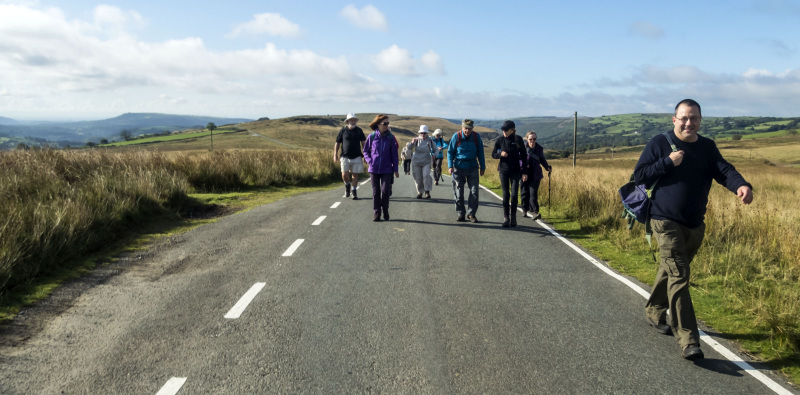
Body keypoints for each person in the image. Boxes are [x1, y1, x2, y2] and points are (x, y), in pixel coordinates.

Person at [634, 99, 753, 360]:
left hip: (695, 223)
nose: (689, 123)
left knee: (672, 269)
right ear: (674, 120)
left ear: (701, 120)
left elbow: (724, 170)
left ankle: (654, 310)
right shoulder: (659, 143)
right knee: (680, 274)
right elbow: (640, 175)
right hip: (664, 220)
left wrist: (741, 185)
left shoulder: (707, 147)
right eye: (684, 118)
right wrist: (667, 162)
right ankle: (688, 339)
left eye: (694, 118)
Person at [447, 119, 486, 223]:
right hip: (458, 167)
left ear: (472, 128)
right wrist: (450, 166)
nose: (467, 131)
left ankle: (471, 214)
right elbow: (450, 152)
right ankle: (460, 213)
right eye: (465, 128)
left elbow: (480, 152)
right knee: (458, 192)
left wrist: (483, 167)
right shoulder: (457, 136)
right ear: (462, 127)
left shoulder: (476, 137)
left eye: (469, 129)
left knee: (474, 191)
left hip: (472, 166)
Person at [363, 114, 400, 221]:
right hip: (374, 169)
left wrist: (396, 169)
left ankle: (385, 210)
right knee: (376, 192)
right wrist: (369, 161)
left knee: (385, 191)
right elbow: (366, 151)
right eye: (385, 123)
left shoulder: (391, 138)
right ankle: (377, 212)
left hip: (387, 169)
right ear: (378, 124)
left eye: (388, 123)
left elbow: (394, 154)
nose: (387, 125)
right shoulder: (372, 136)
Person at [491, 120, 528, 227]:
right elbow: (493, 154)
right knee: (506, 194)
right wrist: (500, 154)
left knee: (514, 195)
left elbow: (524, 157)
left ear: (512, 130)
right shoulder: (500, 140)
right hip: (503, 171)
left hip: (516, 171)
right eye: (503, 130)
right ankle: (506, 217)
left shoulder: (518, 139)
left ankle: (514, 217)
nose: (504, 132)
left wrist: (524, 172)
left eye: (506, 130)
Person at [334, 113, 366, 200]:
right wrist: (335, 155)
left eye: (354, 120)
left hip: (357, 156)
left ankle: (354, 191)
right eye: (351, 120)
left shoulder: (359, 130)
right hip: (344, 156)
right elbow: (337, 143)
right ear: (347, 121)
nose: (353, 121)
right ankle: (347, 185)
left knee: (355, 175)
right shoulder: (343, 130)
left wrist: (366, 156)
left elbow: (364, 143)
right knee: (344, 174)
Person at [521, 131, 552, 220]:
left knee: (533, 193)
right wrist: (523, 166)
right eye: (530, 139)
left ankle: (535, 212)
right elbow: (519, 160)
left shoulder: (539, 148)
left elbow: (542, 159)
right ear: (527, 139)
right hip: (524, 173)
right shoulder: (523, 148)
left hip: (535, 174)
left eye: (534, 139)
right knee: (524, 192)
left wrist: (547, 167)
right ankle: (524, 209)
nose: (532, 141)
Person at [405, 125, 439, 199]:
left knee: (426, 175)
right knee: (418, 178)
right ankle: (420, 192)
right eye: (421, 133)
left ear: (427, 133)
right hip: (416, 161)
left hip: (426, 161)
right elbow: (409, 148)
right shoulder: (416, 140)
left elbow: (436, 150)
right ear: (420, 133)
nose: (423, 134)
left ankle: (427, 191)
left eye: (424, 133)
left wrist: (434, 155)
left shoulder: (430, 140)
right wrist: (412, 142)